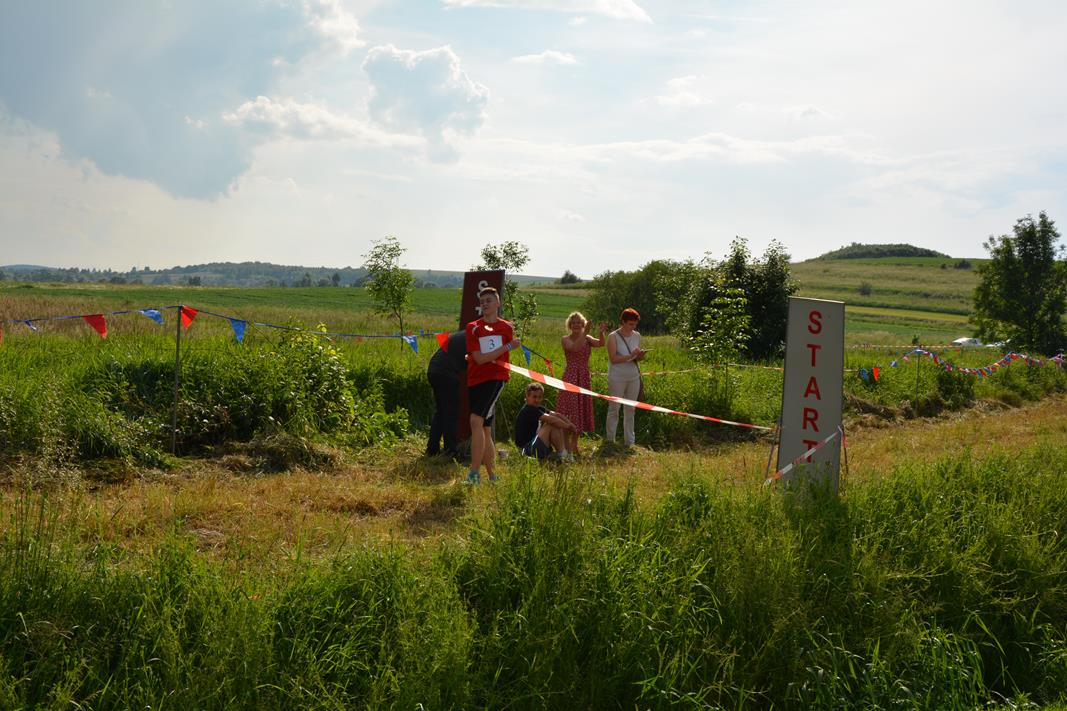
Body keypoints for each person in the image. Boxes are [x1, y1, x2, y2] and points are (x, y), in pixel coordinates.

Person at [465, 287, 519, 484]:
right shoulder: (473, 327)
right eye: (482, 301)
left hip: (496, 378)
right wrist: (507, 347)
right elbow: (479, 359)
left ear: (498, 303)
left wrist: (506, 347)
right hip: (475, 379)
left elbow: (490, 356)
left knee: (475, 421)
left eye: (489, 300)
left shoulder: (507, 328)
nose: (485, 304)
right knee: (485, 428)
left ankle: (474, 474)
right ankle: (492, 475)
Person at [555, 311, 606, 454]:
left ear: (583, 324)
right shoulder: (565, 339)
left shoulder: (587, 338)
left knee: (580, 409)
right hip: (571, 376)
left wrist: (601, 332)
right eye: (573, 322)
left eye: (579, 322)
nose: (576, 325)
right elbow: (574, 348)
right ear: (569, 325)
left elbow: (601, 344)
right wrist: (585, 333)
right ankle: (565, 443)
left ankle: (574, 443)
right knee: (569, 409)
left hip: (583, 376)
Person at [605, 307, 646, 447]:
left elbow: (636, 359)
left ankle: (629, 441)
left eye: (635, 324)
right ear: (623, 322)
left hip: (633, 376)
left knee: (630, 409)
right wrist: (631, 356)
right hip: (617, 377)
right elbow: (613, 359)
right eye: (630, 324)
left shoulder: (637, 336)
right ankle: (610, 440)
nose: (633, 327)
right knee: (614, 408)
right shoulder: (613, 336)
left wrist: (640, 356)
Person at [426, 329, 467, 459]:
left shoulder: (463, 334)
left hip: (434, 369)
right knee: (451, 413)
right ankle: (451, 450)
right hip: (446, 372)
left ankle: (432, 449)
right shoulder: (475, 337)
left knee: (441, 412)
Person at [514, 382, 578, 461]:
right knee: (553, 424)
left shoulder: (537, 408)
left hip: (533, 445)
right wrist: (568, 426)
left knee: (560, 423)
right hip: (526, 449)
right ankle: (562, 454)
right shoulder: (528, 409)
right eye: (534, 397)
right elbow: (550, 419)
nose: (537, 400)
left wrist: (569, 424)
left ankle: (567, 454)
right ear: (527, 397)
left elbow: (555, 414)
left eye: (540, 397)